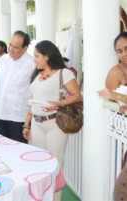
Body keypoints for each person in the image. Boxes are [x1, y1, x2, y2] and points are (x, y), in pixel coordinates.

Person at [22, 40, 81, 201]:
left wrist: (59, 103)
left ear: (47, 56)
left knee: (54, 166)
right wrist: (26, 125)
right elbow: (32, 101)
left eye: (37, 56)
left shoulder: (64, 73)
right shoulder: (37, 75)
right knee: (38, 165)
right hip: (36, 124)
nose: (35, 60)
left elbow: (77, 96)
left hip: (55, 124)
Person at [0, 30, 36, 143]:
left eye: (15, 47)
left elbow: (35, 94)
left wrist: (27, 123)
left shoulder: (32, 64)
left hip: (19, 118)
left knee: (18, 153)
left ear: (25, 48)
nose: (10, 49)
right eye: (10, 44)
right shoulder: (3, 60)